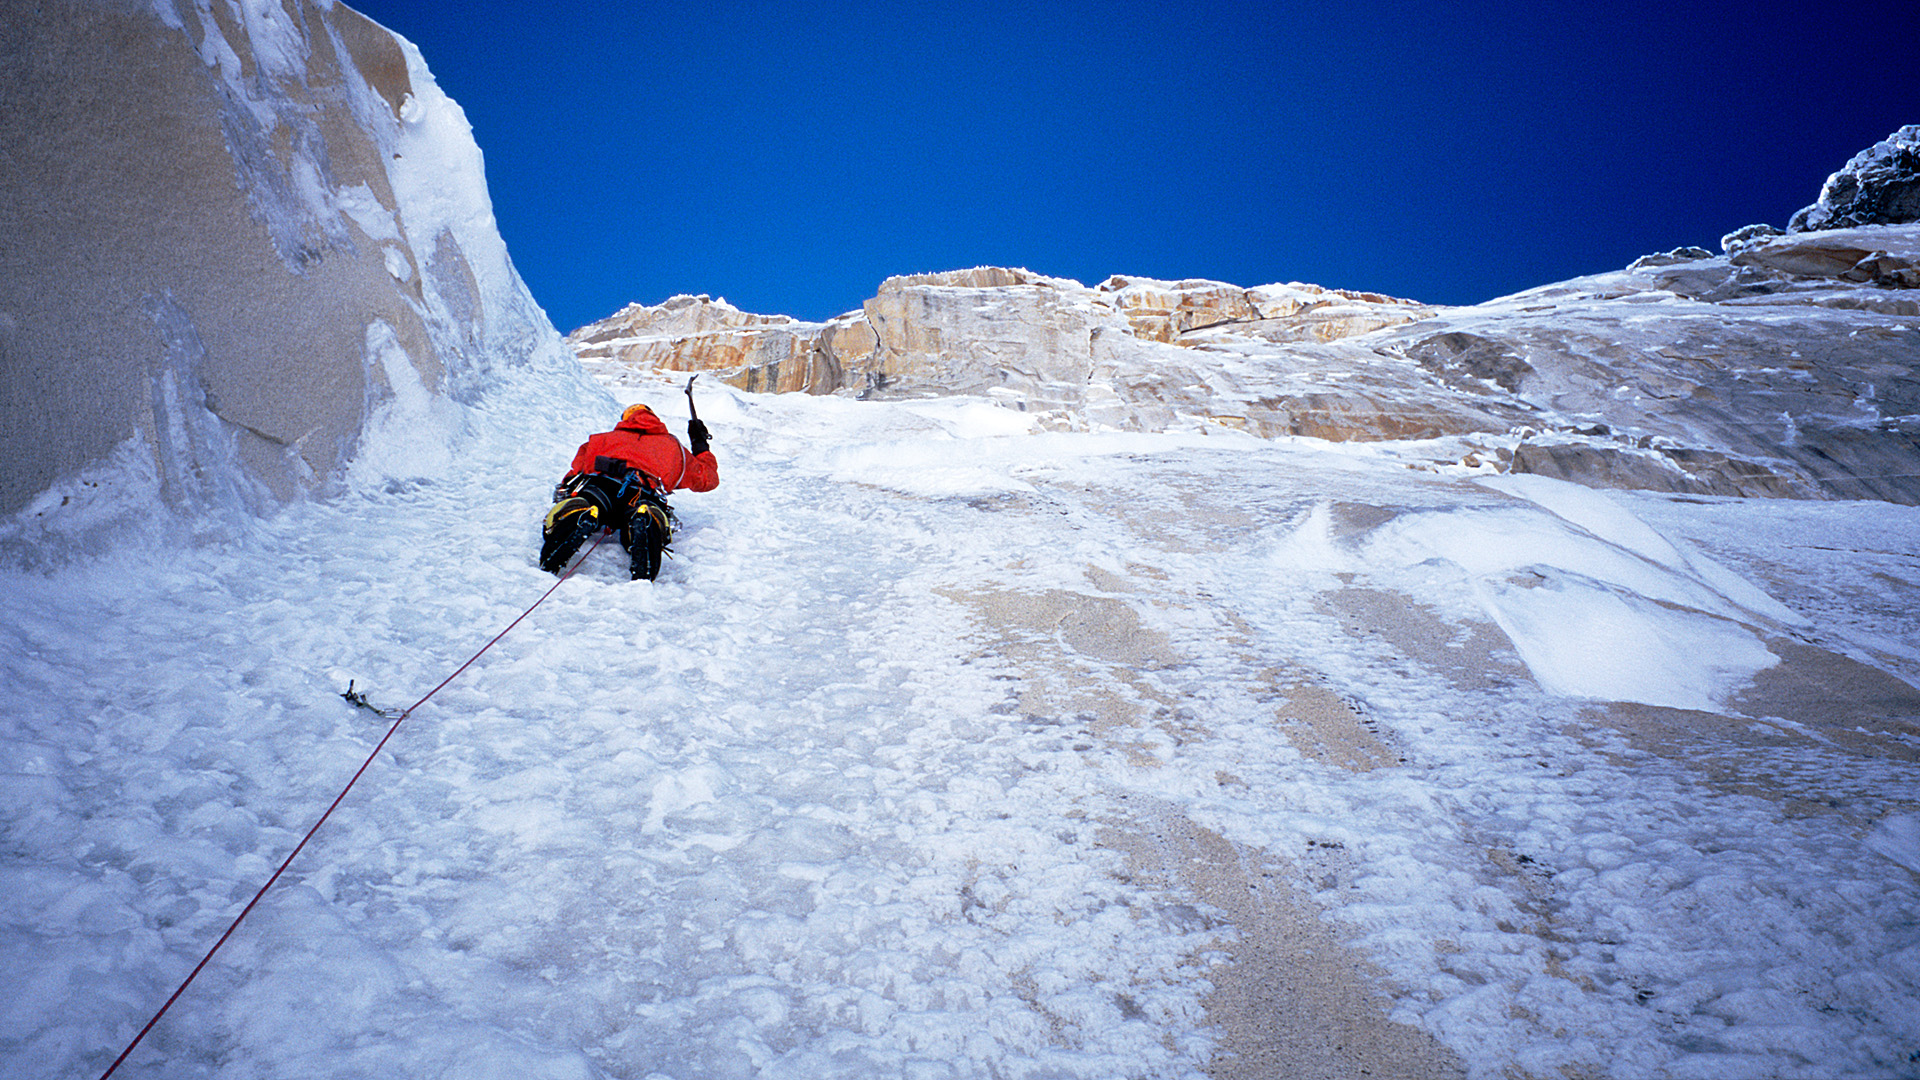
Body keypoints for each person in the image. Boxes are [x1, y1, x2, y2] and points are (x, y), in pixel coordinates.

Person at [540, 402, 718, 579]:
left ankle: (580, 514)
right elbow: (707, 479)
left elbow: (573, 475)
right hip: (642, 492)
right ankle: (645, 520)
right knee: (645, 512)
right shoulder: (674, 448)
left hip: (600, 487)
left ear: (625, 420)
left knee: (585, 503)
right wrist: (700, 444)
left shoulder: (600, 439)